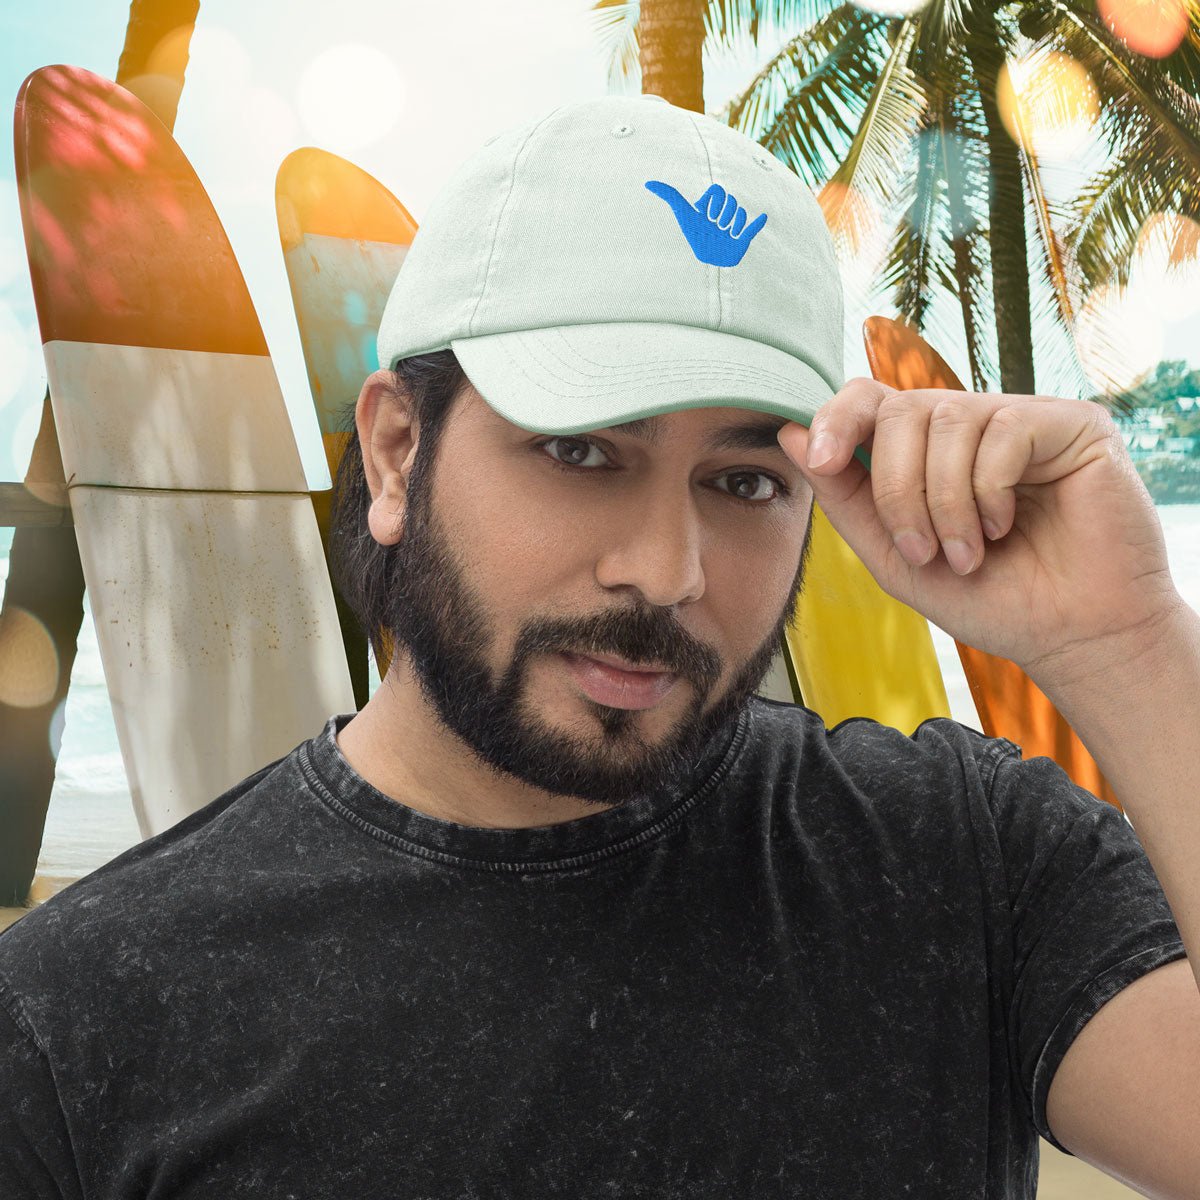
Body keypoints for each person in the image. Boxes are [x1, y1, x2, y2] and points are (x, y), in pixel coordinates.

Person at [1, 93, 1198, 1199]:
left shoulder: (964, 857)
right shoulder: (83, 1014)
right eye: (581, 451)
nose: (667, 572)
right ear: (396, 452)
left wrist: (1126, 643)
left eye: (744, 480)